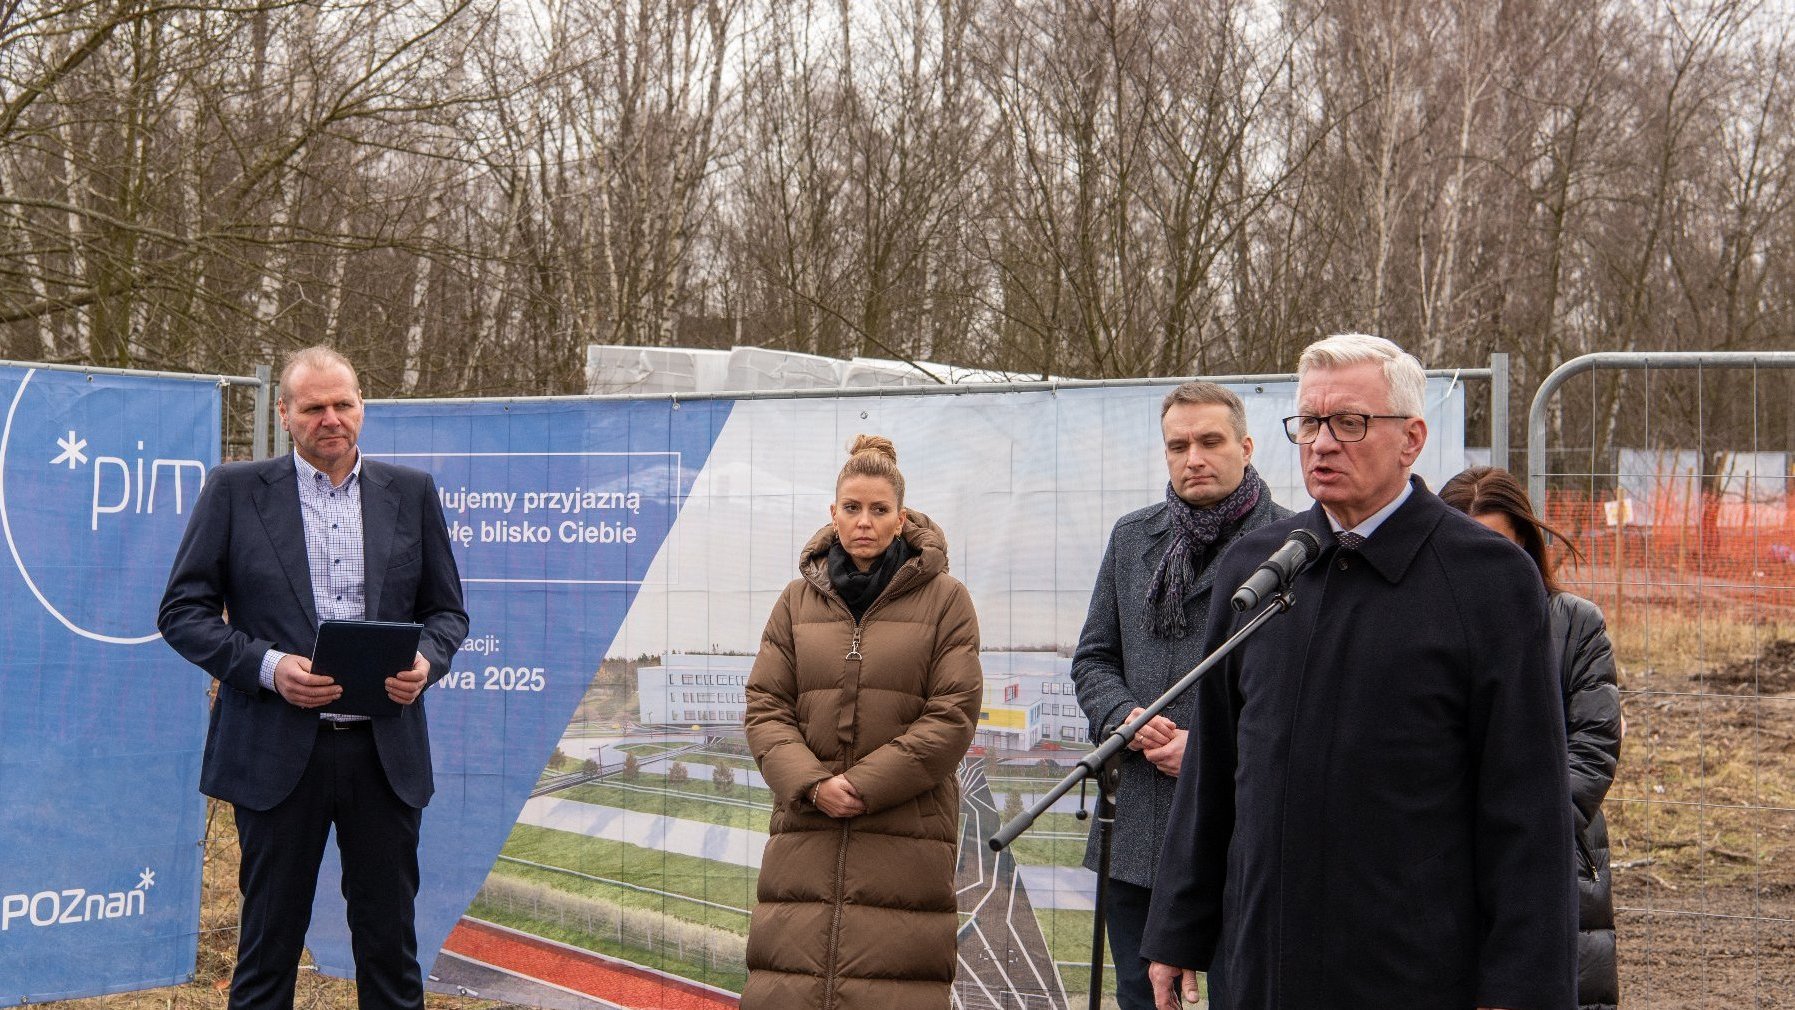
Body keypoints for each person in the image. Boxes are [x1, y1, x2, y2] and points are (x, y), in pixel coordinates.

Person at [1140, 333, 1576, 1010]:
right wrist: (1177, 926)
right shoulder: (1259, 567)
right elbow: (1216, 766)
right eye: (1310, 423)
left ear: (1410, 438)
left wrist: (1520, 984)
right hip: (1268, 960)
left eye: (1349, 423)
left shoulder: (1486, 579)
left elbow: (1525, 800)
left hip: (1413, 965)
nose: (1321, 443)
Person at [158, 346, 467, 1010]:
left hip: (384, 755)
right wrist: (269, 669)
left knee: (389, 948)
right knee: (268, 948)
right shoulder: (235, 491)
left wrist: (427, 663)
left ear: (363, 407)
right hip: (275, 752)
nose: (330, 418)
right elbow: (182, 613)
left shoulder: (410, 492)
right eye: (313, 407)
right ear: (285, 413)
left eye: (343, 404)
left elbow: (446, 613)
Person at [740, 435, 983, 1009]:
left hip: (907, 836)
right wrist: (814, 785)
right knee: (788, 987)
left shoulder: (947, 600)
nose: (864, 522)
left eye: (879, 510)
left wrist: (863, 787)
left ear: (901, 519)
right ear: (833, 514)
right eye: (852, 508)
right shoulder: (796, 601)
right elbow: (765, 706)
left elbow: (952, 715)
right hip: (807, 829)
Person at [1070, 381, 1291, 1009]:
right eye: (1178, 445)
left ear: (1246, 447)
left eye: (1209, 441)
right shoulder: (1133, 538)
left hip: (1245, 831)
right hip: (1139, 826)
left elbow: (1303, 694)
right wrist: (1124, 719)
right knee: (1143, 1000)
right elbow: (1094, 659)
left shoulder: (1295, 545)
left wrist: (1209, 747)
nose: (1193, 457)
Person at [1440, 466, 1622, 1010]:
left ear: (1525, 545)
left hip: (1549, 862)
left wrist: (1521, 840)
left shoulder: (1574, 624)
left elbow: (1592, 750)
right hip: (1433, 867)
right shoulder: (1415, 628)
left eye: (1498, 547)